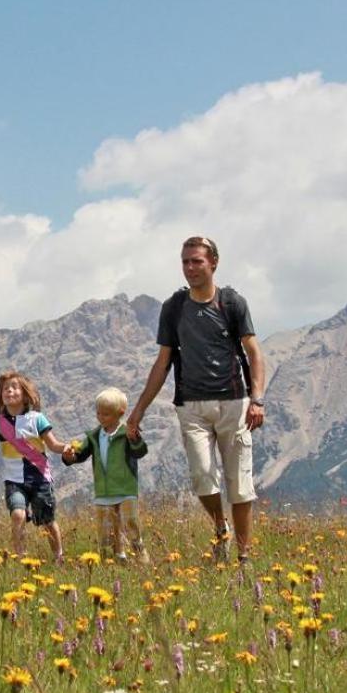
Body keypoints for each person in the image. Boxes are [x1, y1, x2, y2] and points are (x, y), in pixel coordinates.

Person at [126, 235, 266, 564]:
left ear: (213, 263)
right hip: (191, 405)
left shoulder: (232, 303)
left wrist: (257, 400)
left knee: (240, 484)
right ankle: (221, 529)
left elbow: (254, 352)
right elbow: (162, 363)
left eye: (197, 261)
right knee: (203, 477)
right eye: (185, 262)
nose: (190, 268)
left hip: (235, 402)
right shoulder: (174, 308)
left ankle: (245, 558)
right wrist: (137, 412)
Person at [0, 371, 72, 561]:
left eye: (14, 387)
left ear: (25, 395)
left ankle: (58, 556)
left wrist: (66, 448)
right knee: (18, 514)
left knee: (47, 521)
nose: (8, 391)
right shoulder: (0, 423)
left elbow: (53, 444)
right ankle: (20, 558)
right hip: (14, 482)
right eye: (5, 389)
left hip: (40, 480)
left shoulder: (38, 419)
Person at [61, 387, 148, 562]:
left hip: (125, 488)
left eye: (106, 414)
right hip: (104, 490)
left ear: (120, 413)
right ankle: (112, 558)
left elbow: (140, 452)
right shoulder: (94, 435)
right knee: (106, 528)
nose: (101, 418)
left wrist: (135, 439)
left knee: (130, 522)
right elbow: (81, 454)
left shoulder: (126, 433)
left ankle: (140, 555)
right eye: (98, 413)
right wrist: (70, 457)